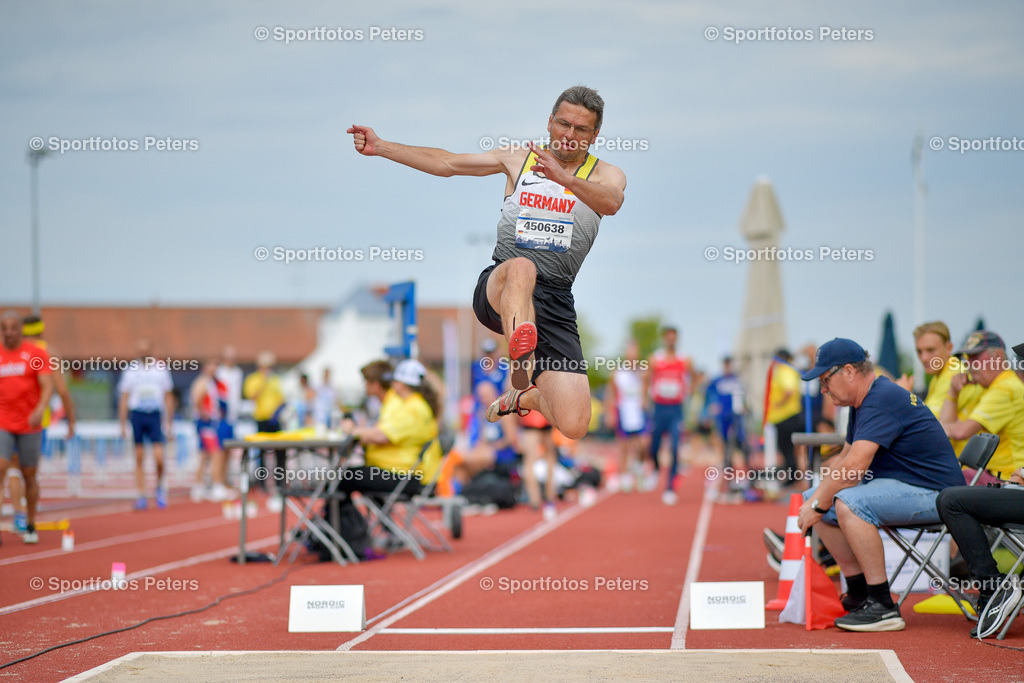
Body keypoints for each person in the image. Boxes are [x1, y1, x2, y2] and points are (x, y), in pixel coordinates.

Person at [348, 85, 626, 441]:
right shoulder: (518, 160)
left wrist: (567, 180)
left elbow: (612, 202)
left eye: (581, 129)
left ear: (594, 135)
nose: (569, 136)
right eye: (563, 124)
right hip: (502, 284)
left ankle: (524, 395)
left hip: (555, 301)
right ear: (550, 122)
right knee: (523, 267)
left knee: (574, 424)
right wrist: (381, 147)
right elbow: (447, 163)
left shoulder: (606, 174)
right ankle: (521, 364)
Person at [796, 338, 966, 632]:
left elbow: (853, 468)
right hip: (909, 487)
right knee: (816, 495)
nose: (823, 389)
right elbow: (845, 458)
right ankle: (860, 593)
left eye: (825, 380)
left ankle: (883, 604)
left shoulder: (881, 397)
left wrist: (817, 504)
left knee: (847, 503)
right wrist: (815, 498)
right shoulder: (862, 401)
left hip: (939, 495)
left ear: (849, 372)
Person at [3, 315, 76, 534]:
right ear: (42, 331)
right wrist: (71, 420)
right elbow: (62, 390)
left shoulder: (30, 352)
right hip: (34, 421)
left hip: (27, 422)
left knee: (14, 470)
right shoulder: (50, 352)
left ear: (22, 331)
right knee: (26, 472)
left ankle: (19, 514)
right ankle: (24, 516)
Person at [342, 359, 442, 496]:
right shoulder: (414, 405)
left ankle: (344, 517)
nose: (391, 385)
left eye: (394, 381)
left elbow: (383, 435)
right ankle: (358, 517)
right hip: (404, 472)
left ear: (402, 384)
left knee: (344, 477)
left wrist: (353, 431)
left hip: (405, 474)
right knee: (350, 476)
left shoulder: (413, 408)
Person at [939, 331, 1024, 482]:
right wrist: (953, 392)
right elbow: (950, 427)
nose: (968, 364)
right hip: (993, 478)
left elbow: (959, 432)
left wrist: (931, 429)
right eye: (967, 358)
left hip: (1008, 481)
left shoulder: (1005, 389)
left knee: (942, 482)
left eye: (975, 357)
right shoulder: (989, 388)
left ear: (998, 357)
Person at [0, 311, 54, 544]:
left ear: (21, 329)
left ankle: (30, 523)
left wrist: (41, 407)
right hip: (3, 422)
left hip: (29, 424)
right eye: (5, 328)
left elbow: (47, 385)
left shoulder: (36, 354)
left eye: (14, 327)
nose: (9, 332)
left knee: (29, 475)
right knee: (0, 468)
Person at [896, 321, 983, 455]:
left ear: (949, 348)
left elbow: (926, 428)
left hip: (960, 463)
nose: (924, 358)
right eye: (919, 351)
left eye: (930, 350)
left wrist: (903, 396)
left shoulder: (954, 375)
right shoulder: (940, 375)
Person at [118, 338, 174, 510]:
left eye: (146, 351)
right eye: (140, 351)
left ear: (151, 350)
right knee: (139, 456)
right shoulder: (130, 371)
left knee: (159, 457)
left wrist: (169, 421)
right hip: (138, 415)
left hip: (155, 415)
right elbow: (124, 397)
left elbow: (168, 396)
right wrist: (122, 423)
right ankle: (141, 494)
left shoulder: (160, 369)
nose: (143, 354)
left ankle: (159, 488)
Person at [644, 326, 692, 505]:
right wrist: (645, 398)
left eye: (674, 337)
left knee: (674, 446)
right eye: (668, 337)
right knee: (654, 445)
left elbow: (694, 376)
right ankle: (655, 468)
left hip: (676, 409)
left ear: (677, 339)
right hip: (659, 407)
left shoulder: (684, 359)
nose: (671, 340)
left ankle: (670, 487)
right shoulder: (655, 359)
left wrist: (690, 391)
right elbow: (646, 378)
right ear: (664, 338)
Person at [604, 339, 647, 493]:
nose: (632, 356)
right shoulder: (618, 372)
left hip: (639, 413)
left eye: (634, 352)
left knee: (643, 445)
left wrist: (646, 400)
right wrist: (610, 412)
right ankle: (625, 476)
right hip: (623, 412)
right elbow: (610, 392)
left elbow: (648, 389)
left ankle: (640, 469)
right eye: (630, 352)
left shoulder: (643, 372)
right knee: (624, 446)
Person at [244, 350, 286, 495]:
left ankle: (280, 482)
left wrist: (279, 411)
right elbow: (252, 396)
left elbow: (281, 398)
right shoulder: (253, 379)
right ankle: (262, 483)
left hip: (274, 420)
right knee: (261, 453)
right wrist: (263, 382)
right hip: (261, 419)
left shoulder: (275, 379)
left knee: (280, 452)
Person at [189, 360, 232, 501]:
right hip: (206, 423)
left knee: (205, 455)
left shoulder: (212, 383)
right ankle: (216, 485)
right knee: (215, 453)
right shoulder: (202, 382)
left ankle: (199, 486)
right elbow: (197, 400)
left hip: (210, 421)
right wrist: (204, 413)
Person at [765, 348, 805, 489]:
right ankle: (792, 477)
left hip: (786, 416)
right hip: (787, 416)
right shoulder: (790, 370)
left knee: (787, 449)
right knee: (789, 449)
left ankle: (792, 478)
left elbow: (789, 390)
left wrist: (778, 403)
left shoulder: (785, 371)